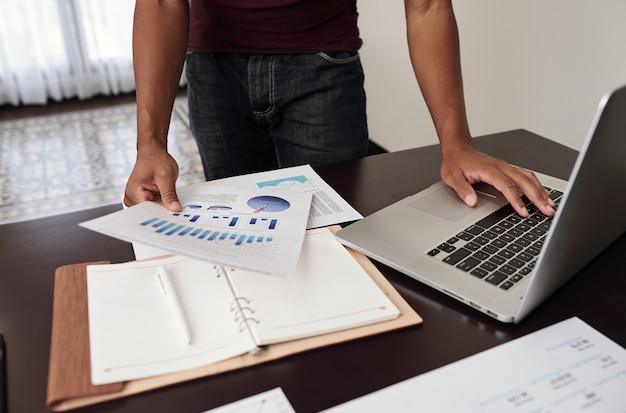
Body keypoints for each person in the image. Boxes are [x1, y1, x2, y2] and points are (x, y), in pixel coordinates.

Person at [124, 0, 556, 219]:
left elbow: (426, 5)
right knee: (243, 232)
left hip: (324, 66)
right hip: (214, 68)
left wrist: (457, 143)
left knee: (335, 231)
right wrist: (150, 144)